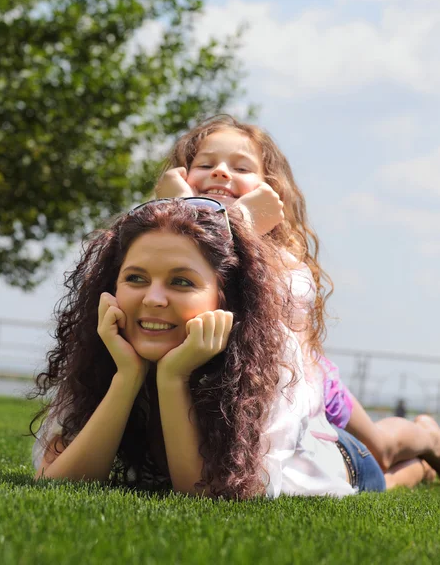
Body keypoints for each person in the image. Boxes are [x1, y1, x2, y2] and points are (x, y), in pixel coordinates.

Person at [30, 199, 434, 497]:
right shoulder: (99, 355)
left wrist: (173, 378)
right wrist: (128, 375)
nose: (152, 299)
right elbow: (60, 480)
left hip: (339, 464)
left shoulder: (269, 360)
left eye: (181, 282)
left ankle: (426, 439)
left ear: (225, 298)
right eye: (135, 278)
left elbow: (205, 494)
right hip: (311, 452)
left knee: (386, 460)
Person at [155, 115, 440, 478]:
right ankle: (420, 471)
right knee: (369, 468)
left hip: (311, 383)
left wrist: (225, 216)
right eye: (206, 164)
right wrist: (176, 210)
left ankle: (427, 436)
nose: (222, 173)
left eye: (240, 167)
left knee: (381, 450)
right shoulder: (163, 245)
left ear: (271, 191)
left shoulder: (278, 255)